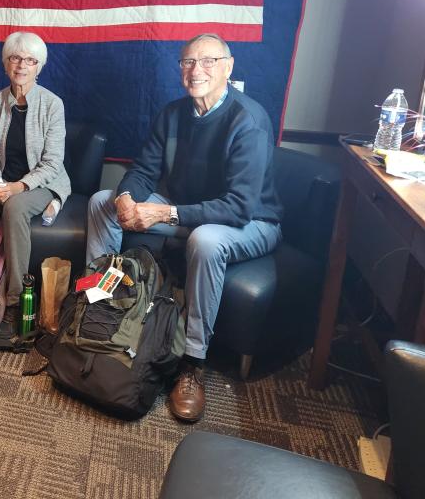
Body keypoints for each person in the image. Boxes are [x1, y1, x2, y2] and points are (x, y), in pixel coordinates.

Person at [86, 33, 282, 422]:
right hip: (187, 211)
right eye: (189, 62)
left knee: (206, 240)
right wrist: (126, 198)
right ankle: (98, 312)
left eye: (209, 62)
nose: (197, 71)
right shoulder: (173, 114)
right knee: (100, 203)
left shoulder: (249, 121)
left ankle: (193, 363)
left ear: (228, 67)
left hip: (252, 221)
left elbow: (239, 207)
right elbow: (143, 170)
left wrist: (163, 214)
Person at [0, 32, 71, 341]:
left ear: (39, 66)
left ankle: (14, 300)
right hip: (3, 182)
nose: (22, 65)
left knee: (14, 207)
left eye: (30, 60)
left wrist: (19, 187)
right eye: (15, 58)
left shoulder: (52, 105)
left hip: (42, 182)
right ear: (5, 64)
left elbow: (53, 162)